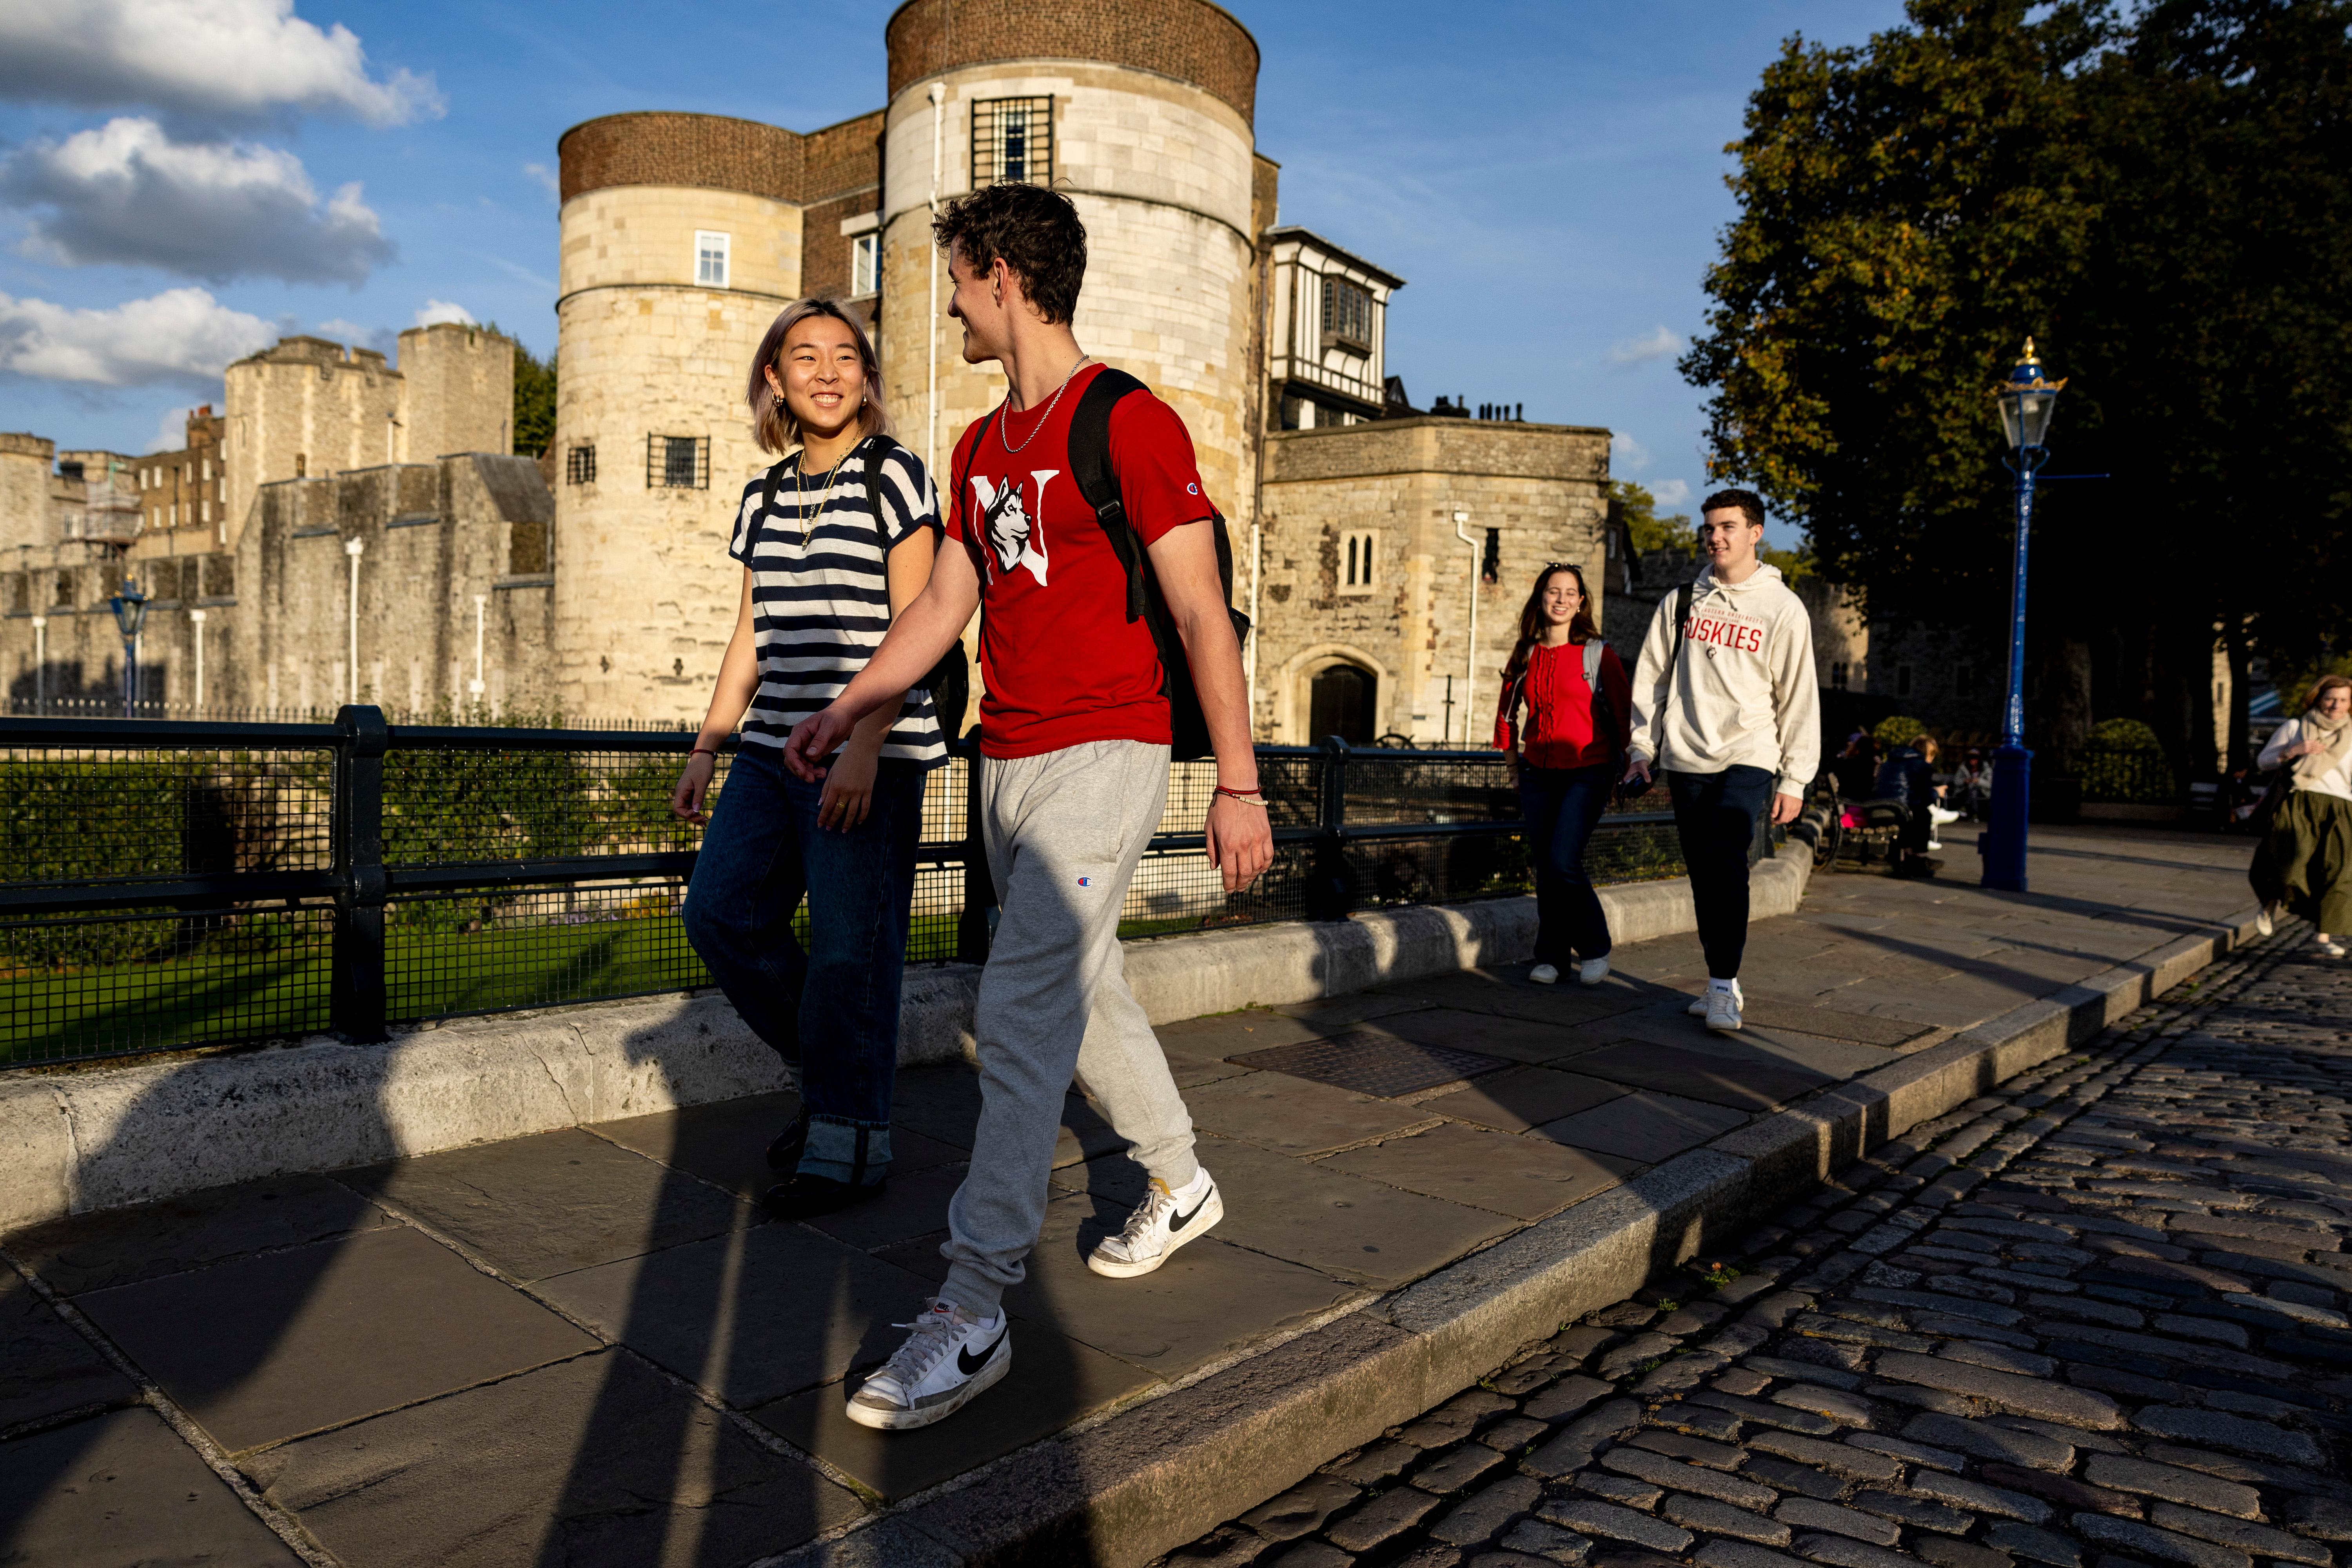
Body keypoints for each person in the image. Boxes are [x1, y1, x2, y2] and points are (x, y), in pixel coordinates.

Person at [779, 183, 1272, 1430]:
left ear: (1000, 275)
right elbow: (941, 609)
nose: (942, 299)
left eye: (952, 277)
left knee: (1018, 1005)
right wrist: (851, 705)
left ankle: (974, 1300)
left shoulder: (1130, 423)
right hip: (1007, 754)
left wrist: (1239, 778)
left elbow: (1204, 613)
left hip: (1111, 743)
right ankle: (1176, 1174)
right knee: (1081, 985)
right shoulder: (977, 445)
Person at [669, 299, 946, 1220]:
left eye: (845, 357)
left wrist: (865, 745)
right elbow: (751, 632)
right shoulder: (763, 494)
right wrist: (709, 744)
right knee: (718, 912)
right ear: (774, 378)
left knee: (848, 953)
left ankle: (850, 1142)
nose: (826, 373)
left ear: (866, 375)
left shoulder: (895, 476)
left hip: (869, 750)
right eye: (804, 357)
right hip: (768, 751)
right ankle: (830, 1073)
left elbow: (922, 622)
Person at [1622, 488, 1820, 1031]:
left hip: (1749, 753)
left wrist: (1796, 778)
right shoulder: (1682, 601)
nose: (1716, 537)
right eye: (1710, 528)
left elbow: (1799, 696)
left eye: (1728, 527)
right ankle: (1723, 979)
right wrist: (1643, 749)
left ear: (1755, 533)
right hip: (1686, 756)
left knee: (1727, 854)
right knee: (1704, 873)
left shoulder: (1782, 608)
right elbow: (1652, 682)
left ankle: (1720, 987)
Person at [1493, 562, 1630, 986]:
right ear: (1541, 598)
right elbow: (1505, 716)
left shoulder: (1598, 654)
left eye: (1571, 593)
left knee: (1563, 860)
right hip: (1537, 773)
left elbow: (1626, 717)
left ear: (1582, 602)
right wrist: (1514, 768)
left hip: (1588, 771)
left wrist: (1629, 766)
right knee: (1545, 866)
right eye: (1554, 592)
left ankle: (1595, 946)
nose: (1562, 600)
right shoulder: (1525, 654)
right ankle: (1551, 955)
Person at [2251, 674, 2352, 954]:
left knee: (2339, 871)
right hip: (2300, 802)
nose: (2336, 705)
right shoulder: (2296, 727)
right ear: (2319, 698)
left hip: (2341, 806)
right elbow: (2264, 762)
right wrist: (2291, 751)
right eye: (2331, 698)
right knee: (2289, 864)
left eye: (2343, 700)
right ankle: (2269, 906)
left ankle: (2324, 936)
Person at [1873, 733, 1940, 877]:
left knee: (1915, 813)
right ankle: (1919, 859)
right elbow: (1926, 797)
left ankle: (1911, 856)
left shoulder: (1891, 760)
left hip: (1879, 807)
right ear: (1929, 753)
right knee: (1923, 814)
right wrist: (1936, 793)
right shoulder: (1921, 765)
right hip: (1898, 812)